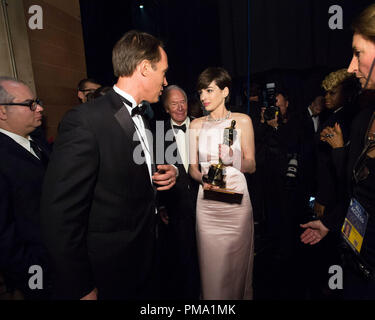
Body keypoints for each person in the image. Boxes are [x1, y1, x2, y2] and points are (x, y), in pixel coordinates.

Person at [40, 30, 178, 300]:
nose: (166, 80)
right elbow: (59, 216)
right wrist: (81, 286)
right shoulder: (85, 121)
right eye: (163, 71)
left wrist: (165, 172)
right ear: (144, 68)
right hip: (110, 272)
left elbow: (128, 171)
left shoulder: (145, 118)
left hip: (147, 259)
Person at [300, 3, 375, 299]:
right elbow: (358, 195)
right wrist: (331, 224)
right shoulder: (362, 120)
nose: (351, 67)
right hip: (356, 265)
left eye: (358, 53)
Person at [189, 67, 256, 300]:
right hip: (208, 206)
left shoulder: (243, 121)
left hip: (237, 206)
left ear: (225, 91)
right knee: (212, 272)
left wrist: (233, 159)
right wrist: (205, 180)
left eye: (209, 90)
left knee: (236, 269)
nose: (203, 97)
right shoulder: (195, 125)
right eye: (200, 92)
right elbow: (192, 169)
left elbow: (252, 165)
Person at [0, 76, 51, 299]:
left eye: (37, 101)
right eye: (30, 104)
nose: (39, 108)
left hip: (62, 260)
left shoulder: (37, 142)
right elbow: (4, 236)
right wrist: (35, 282)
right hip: (37, 269)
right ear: (2, 112)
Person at [157, 85, 200, 299]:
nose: (180, 107)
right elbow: (155, 172)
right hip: (177, 206)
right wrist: (161, 205)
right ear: (166, 108)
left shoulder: (201, 126)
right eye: (174, 103)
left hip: (205, 202)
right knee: (184, 259)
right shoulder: (157, 131)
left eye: (182, 101)